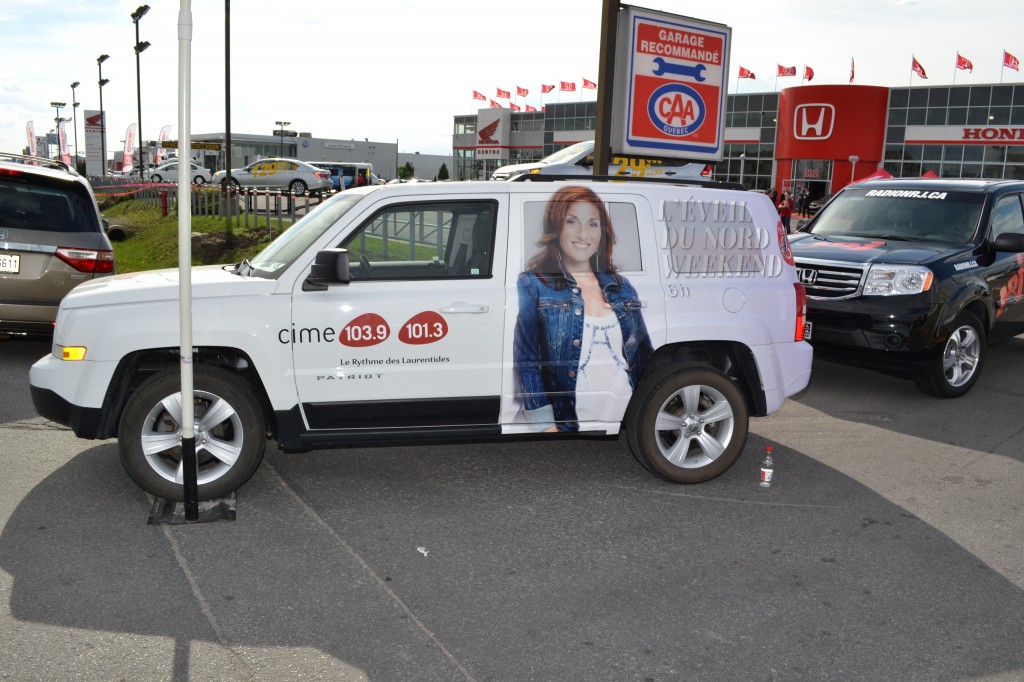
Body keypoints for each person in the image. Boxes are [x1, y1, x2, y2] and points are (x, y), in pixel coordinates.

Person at [513, 186, 653, 432]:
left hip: (628, 416)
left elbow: (643, 356)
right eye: (571, 221)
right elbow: (527, 362)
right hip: (567, 421)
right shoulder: (533, 284)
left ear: (602, 232)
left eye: (592, 224)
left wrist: (651, 413)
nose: (582, 234)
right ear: (556, 227)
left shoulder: (621, 286)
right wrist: (545, 425)